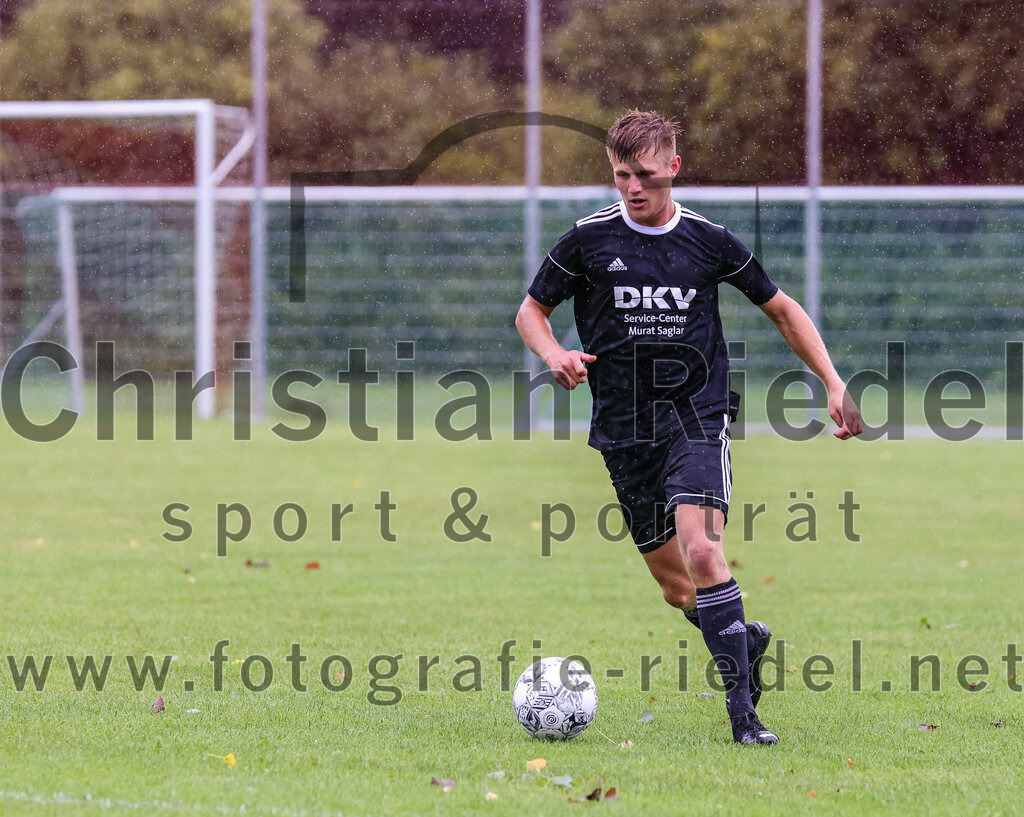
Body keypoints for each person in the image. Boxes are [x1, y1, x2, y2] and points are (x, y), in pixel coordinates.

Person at [515, 109, 863, 745]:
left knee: (704, 549)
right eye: (621, 175)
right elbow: (531, 311)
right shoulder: (587, 242)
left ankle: (744, 720)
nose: (633, 188)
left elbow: (782, 310)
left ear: (674, 167)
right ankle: (744, 639)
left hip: (696, 418)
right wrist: (553, 355)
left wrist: (833, 382)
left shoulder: (708, 240)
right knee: (681, 591)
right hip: (624, 431)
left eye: (645, 174)